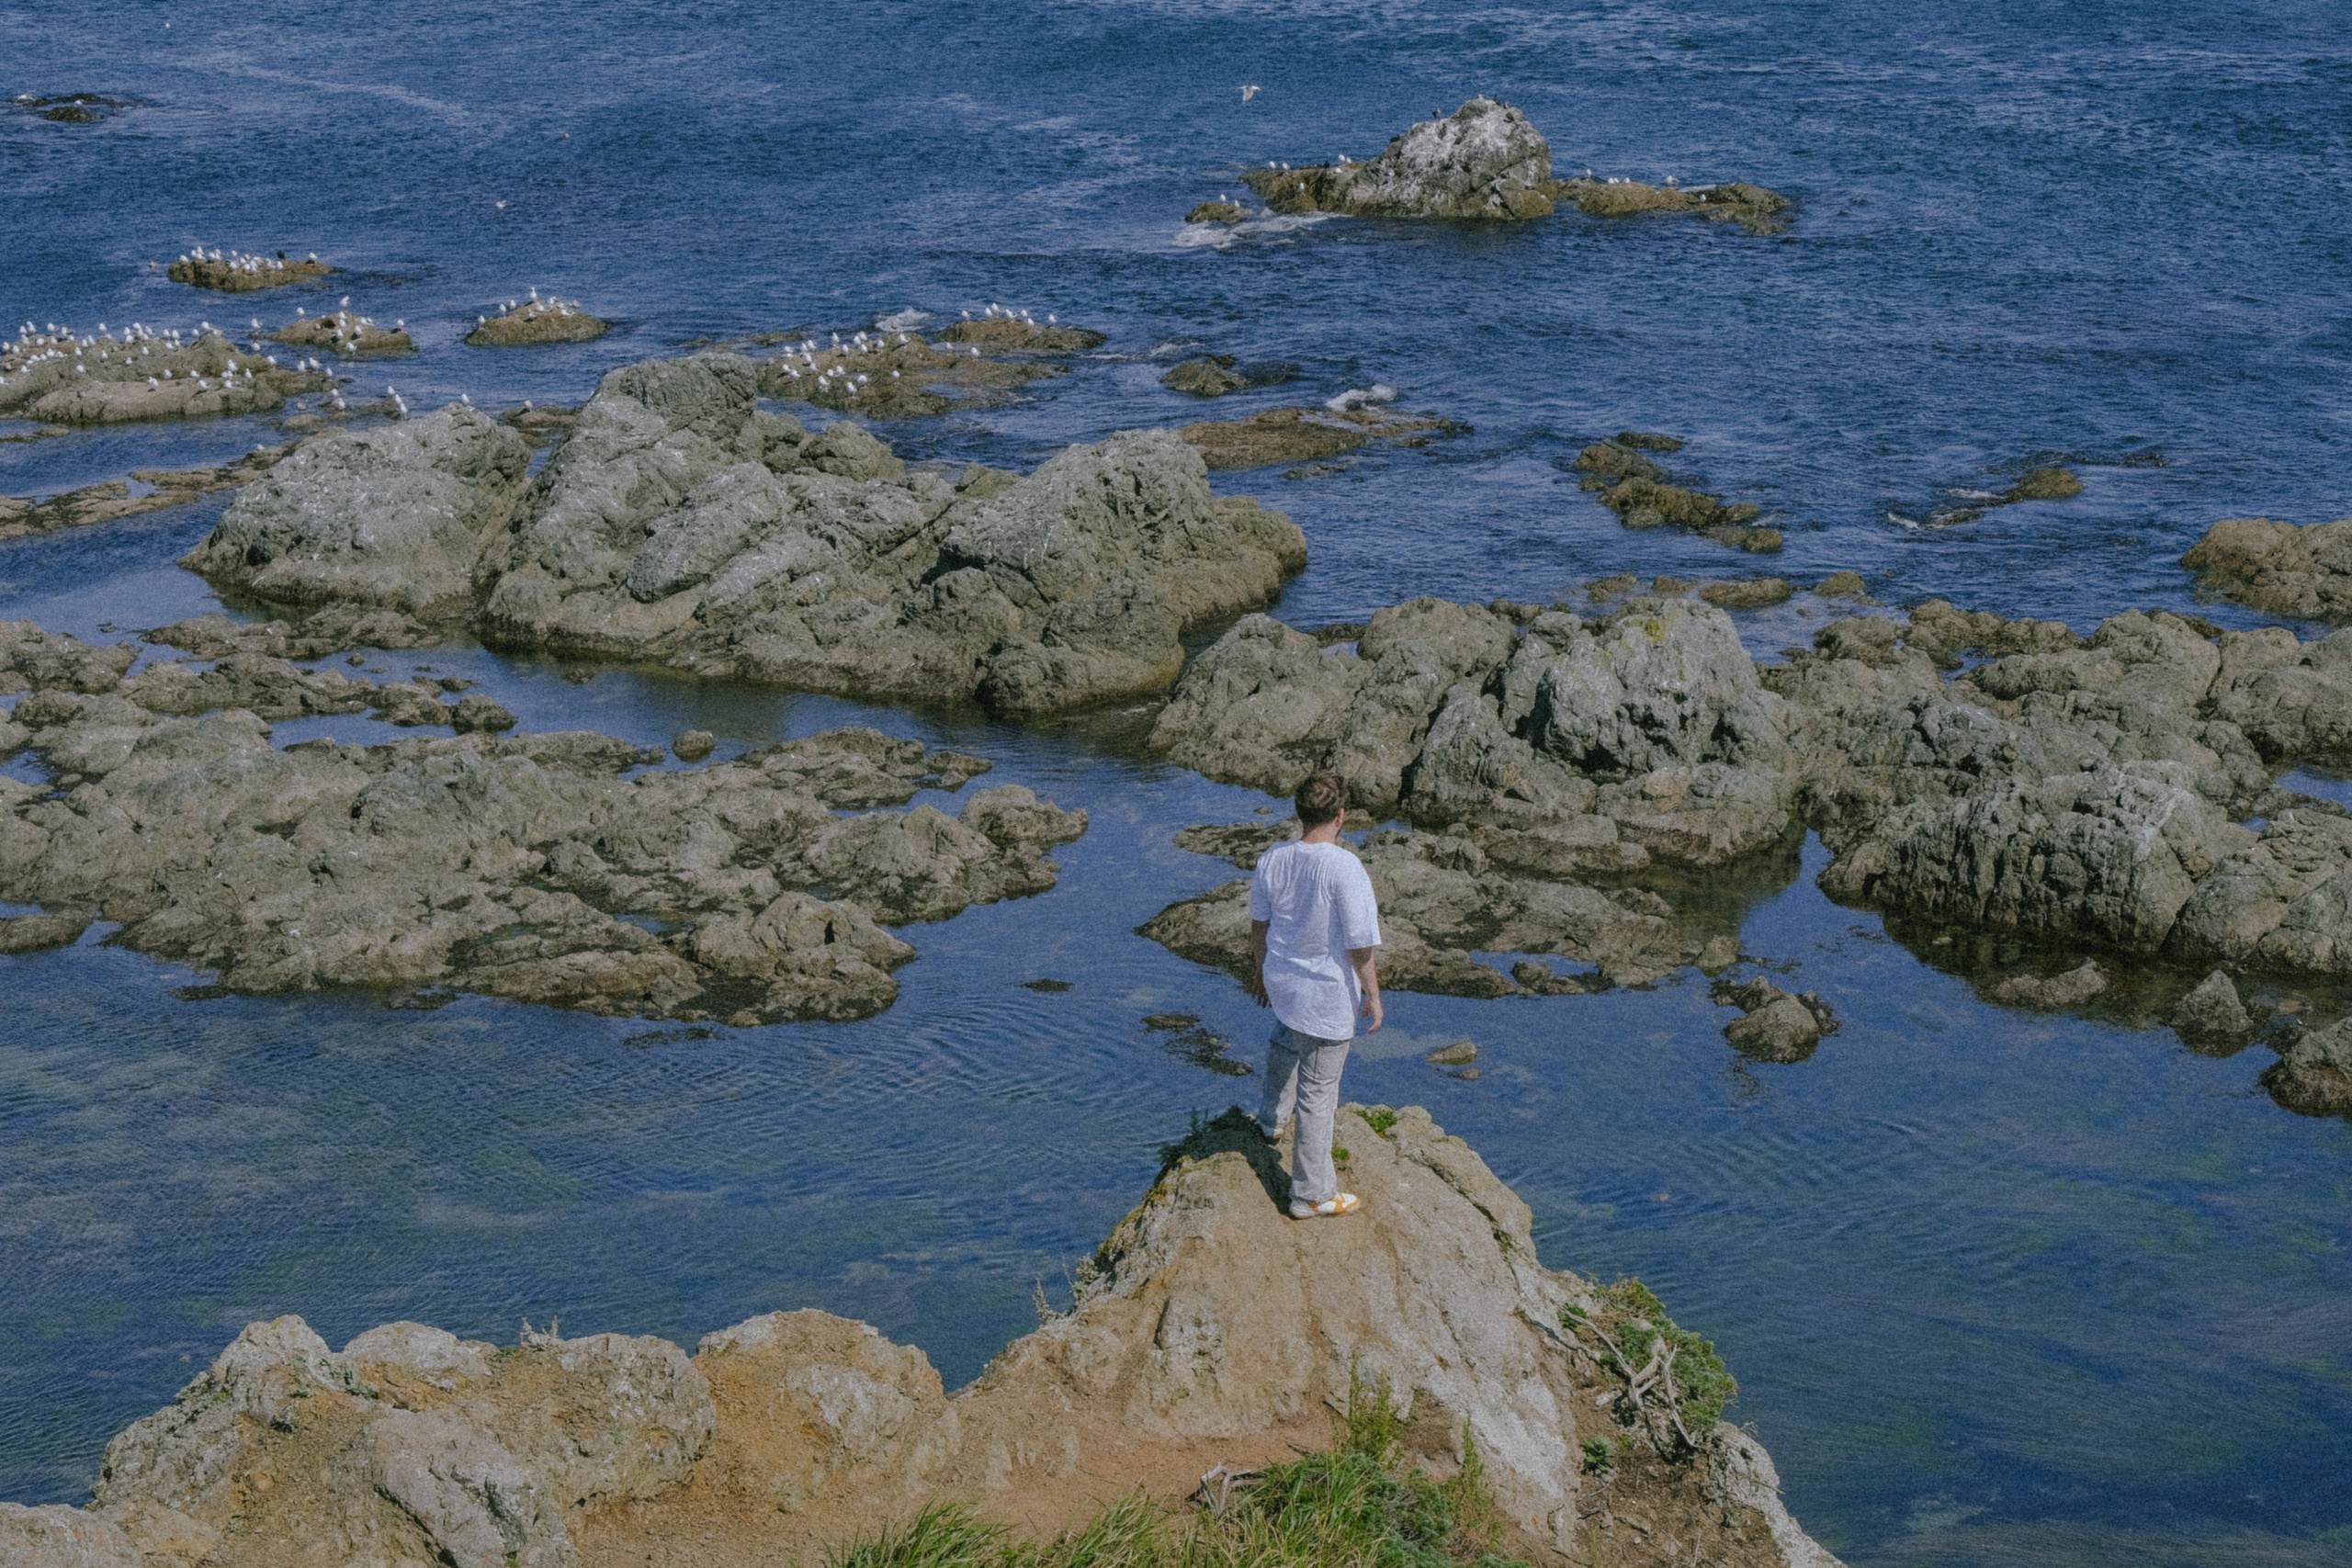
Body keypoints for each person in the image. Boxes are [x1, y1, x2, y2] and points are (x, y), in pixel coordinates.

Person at [1248, 772, 1383, 1219]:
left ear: (1298, 812)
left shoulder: (1273, 858)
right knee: (1319, 1091)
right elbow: (1360, 944)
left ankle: (1270, 1121)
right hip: (1324, 994)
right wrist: (1373, 993)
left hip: (1283, 980)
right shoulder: (1344, 867)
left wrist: (1259, 973)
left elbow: (1258, 927)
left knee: (1285, 1044)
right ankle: (1311, 1194)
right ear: (1341, 816)